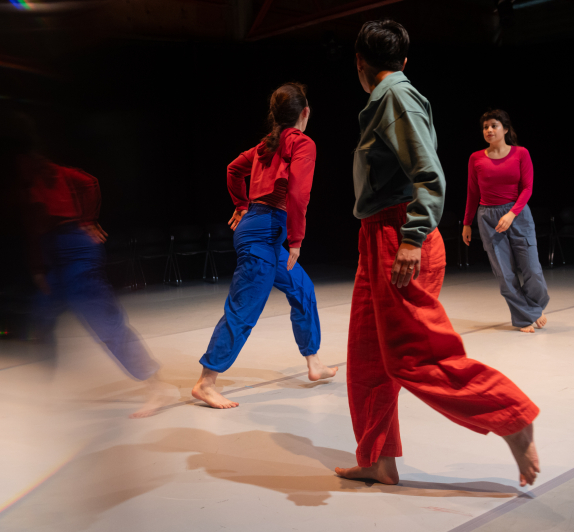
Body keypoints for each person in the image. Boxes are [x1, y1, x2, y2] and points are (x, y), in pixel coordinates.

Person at [333, 21, 541, 487]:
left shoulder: (394, 97)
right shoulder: (387, 97)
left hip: (399, 233)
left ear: (360, 63)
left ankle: (510, 414)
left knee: (414, 355)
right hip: (378, 234)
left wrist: (411, 236)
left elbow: (430, 175)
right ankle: (378, 458)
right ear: (402, 60)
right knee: (368, 355)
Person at [191, 82, 337, 410]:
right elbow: (299, 195)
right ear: (305, 112)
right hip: (264, 234)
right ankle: (206, 382)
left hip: (264, 232)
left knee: (303, 289)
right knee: (245, 308)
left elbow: (232, 170)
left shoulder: (266, 145)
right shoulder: (301, 143)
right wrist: (296, 240)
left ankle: (313, 362)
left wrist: (242, 205)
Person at [21, 153, 168, 418]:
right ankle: (41, 390)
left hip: (76, 246)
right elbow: (34, 228)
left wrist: (88, 220)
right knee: (40, 319)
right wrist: (38, 267)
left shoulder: (57, 173)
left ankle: (153, 383)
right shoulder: (31, 184)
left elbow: (90, 183)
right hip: (52, 251)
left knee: (104, 321)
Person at [462, 110, 549, 333]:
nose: (489, 130)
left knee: (533, 270)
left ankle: (533, 308)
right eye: (485, 127)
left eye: (494, 125)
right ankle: (524, 318)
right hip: (488, 218)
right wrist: (466, 223)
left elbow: (527, 188)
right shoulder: (476, 158)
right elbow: (472, 192)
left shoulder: (521, 153)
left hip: (517, 214)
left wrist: (511, 214)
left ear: (506, 129)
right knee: (505, 273)